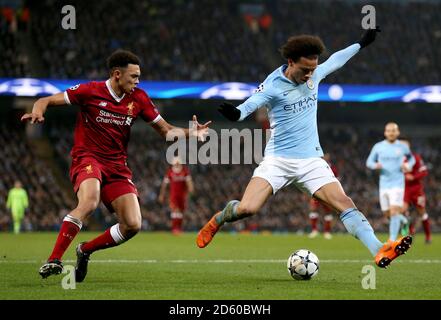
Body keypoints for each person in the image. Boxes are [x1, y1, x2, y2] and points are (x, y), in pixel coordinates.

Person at [197, 27, 413, 268]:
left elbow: (337, 59)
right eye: (305, 69)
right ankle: (223, 215)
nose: (311, 75)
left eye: (313, 68)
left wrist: (361, 43)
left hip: (311, 160)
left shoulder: (315, 74)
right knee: (247, 209)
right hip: (278, 161)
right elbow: (250, 105)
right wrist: (236, 114)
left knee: (345, 203)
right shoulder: (273, 85)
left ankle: (380, 249)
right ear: (290, 62)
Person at [21, 50, 210, 281]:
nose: (137, 81)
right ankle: (54, 259)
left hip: (117, 166)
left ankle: (85, 250)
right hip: (88, 158)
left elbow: (167, 131)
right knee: (89, 202)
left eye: (139, 77)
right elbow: (45, 100)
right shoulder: (90, 91)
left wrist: (192, 132)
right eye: (134, 77)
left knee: (133, 224)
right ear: (117, 74)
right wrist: (38, 112)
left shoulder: (139, 98)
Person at [366, 123, 415, 241]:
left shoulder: (403, 147)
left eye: (393, 131)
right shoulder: (378, 146)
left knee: (394, 211)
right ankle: (403, 221)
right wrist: (375, 165)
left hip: (397, 183)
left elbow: (411, 158)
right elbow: (369, 162)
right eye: (389, 131)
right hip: (384, 184)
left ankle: (391, 240)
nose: (391, 133)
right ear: (385, 133)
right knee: (387, 213)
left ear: (398, 133)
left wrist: (407, 165)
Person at [400, 138, 431, 243]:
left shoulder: (416, 158)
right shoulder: (397, 160)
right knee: (402, 211)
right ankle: (409, 231)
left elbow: (424, 171)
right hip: (404, 189)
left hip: (417, 189)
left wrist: (413, 177)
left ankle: (428, 236)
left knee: (422, 213)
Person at [158, 156, 194, 234]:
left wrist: (191, 189)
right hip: (173, 195)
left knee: (181, 212)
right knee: (175, 210)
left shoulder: (184, 171)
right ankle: (175, 228)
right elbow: (165, 184)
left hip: (183, 195)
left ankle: (179, 228)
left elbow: (189, 181)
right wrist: (162, 194)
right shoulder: (170, 172)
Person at [308, 154, 337, 240]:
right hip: (317, 191)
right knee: (313, 209)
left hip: (328, 193)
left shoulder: (333, 169)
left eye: (326, 156)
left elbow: (337, 181)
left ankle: (327, 232)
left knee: (328, 212)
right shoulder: (316, 167)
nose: (324, 158)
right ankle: (314, 230)